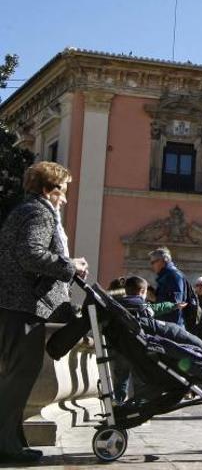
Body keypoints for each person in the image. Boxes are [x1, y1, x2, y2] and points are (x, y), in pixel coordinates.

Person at [0, 162, 89, 463]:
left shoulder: (25, 211)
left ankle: (12, 440)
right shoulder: (38, 211)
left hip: (17, 304)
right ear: (48, 190)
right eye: (62, 192)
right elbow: (31, 253)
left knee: (16, 376)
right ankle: (6, 446)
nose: (64, 200)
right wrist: (71, 266)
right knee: (19, 376)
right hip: (23, 306)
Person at [149, 247, 189, 326]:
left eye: (153, 262)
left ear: (163, 260)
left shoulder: (173, 276)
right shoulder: (166, 276)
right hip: (166, 324)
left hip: (171, 327)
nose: (152, 265)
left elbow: (176, 304)